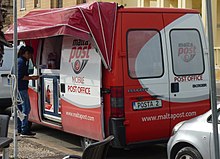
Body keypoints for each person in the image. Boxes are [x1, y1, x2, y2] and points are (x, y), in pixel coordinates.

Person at [17, 45, 39, 136]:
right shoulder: (22, 62)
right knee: (26, 108)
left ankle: (19, 128)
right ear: (26, 53)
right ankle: (24, 130)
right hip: (21, 88)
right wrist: (32, 78)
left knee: (20, 109)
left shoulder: (20, 60)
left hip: (18, 88)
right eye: (30, 55)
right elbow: (21, 76)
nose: (30, 57)